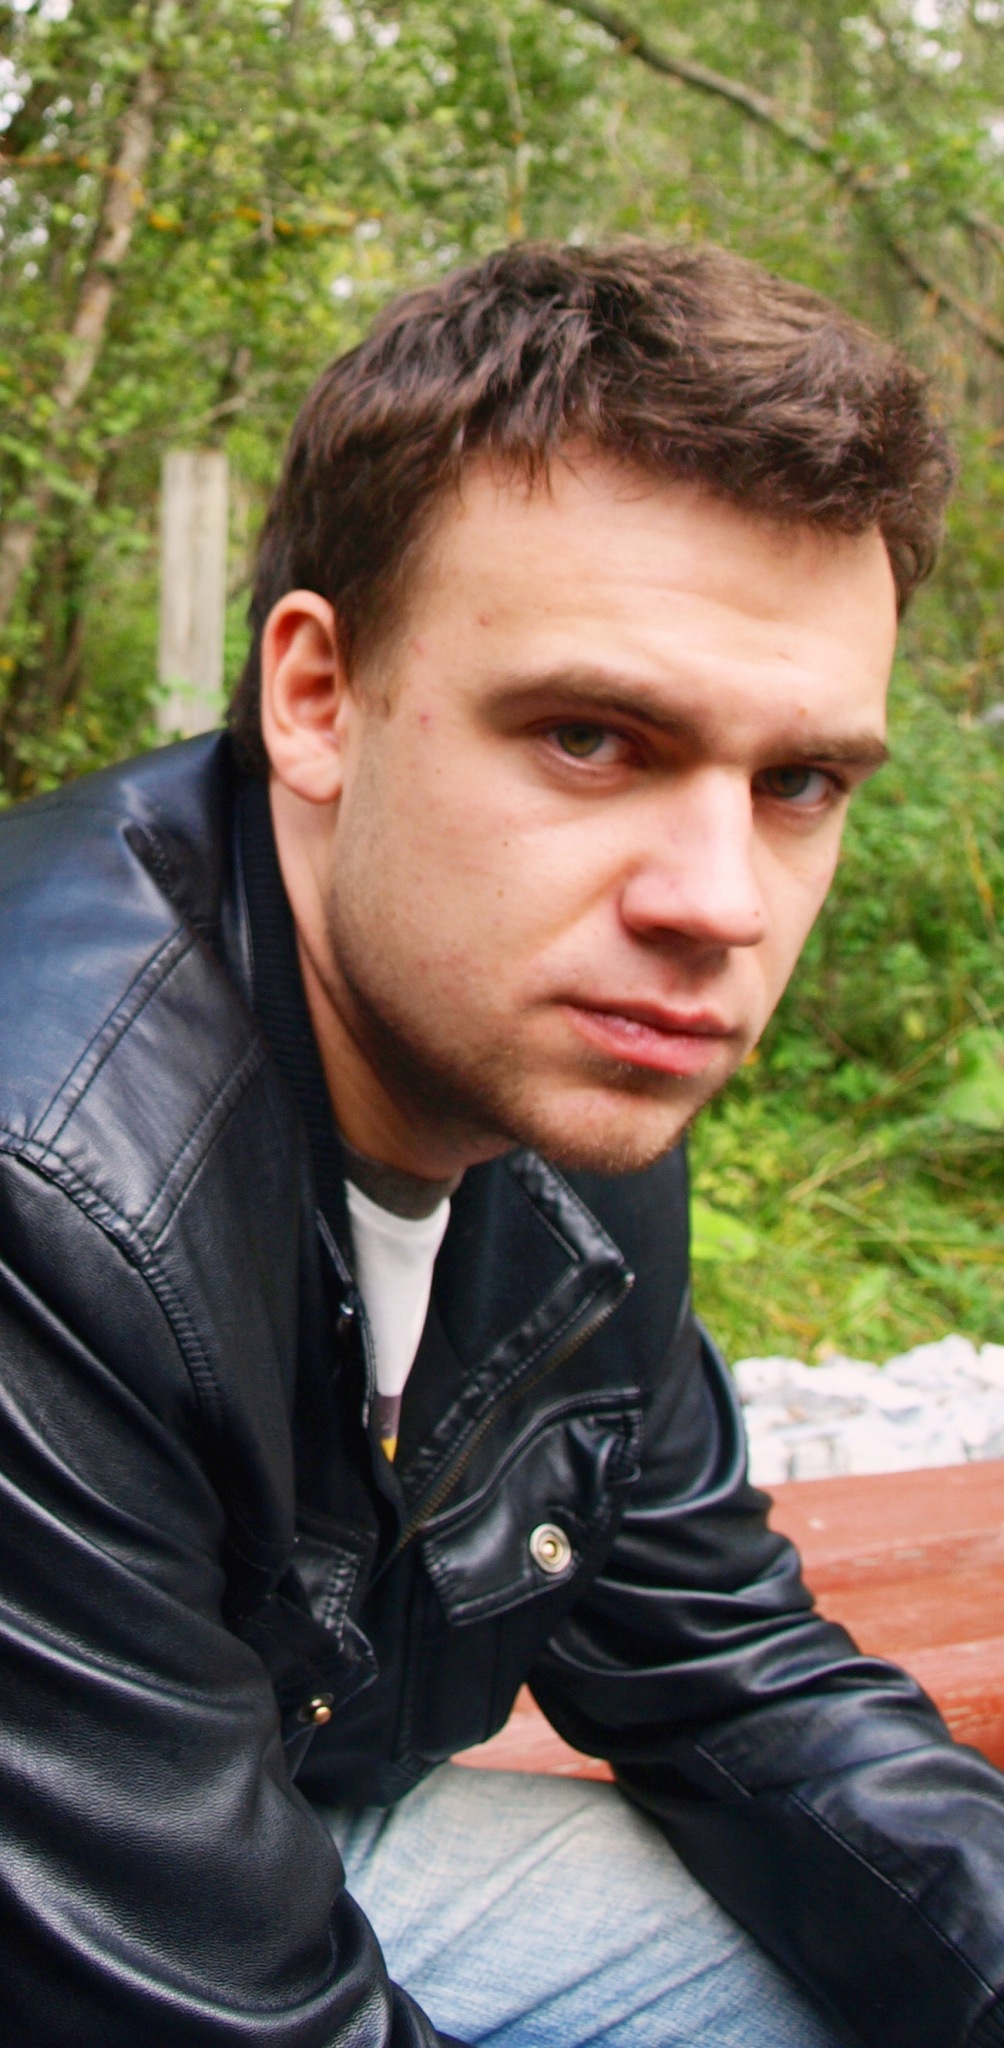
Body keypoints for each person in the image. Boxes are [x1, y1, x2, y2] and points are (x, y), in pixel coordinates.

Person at [0, 239, 1001, 2048]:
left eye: (797, 783)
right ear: (318, 696)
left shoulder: (557, 1057)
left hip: (245, 1811)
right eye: (592, 737)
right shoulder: (46, 1181)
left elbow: (726, 1666)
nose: (717, 907)